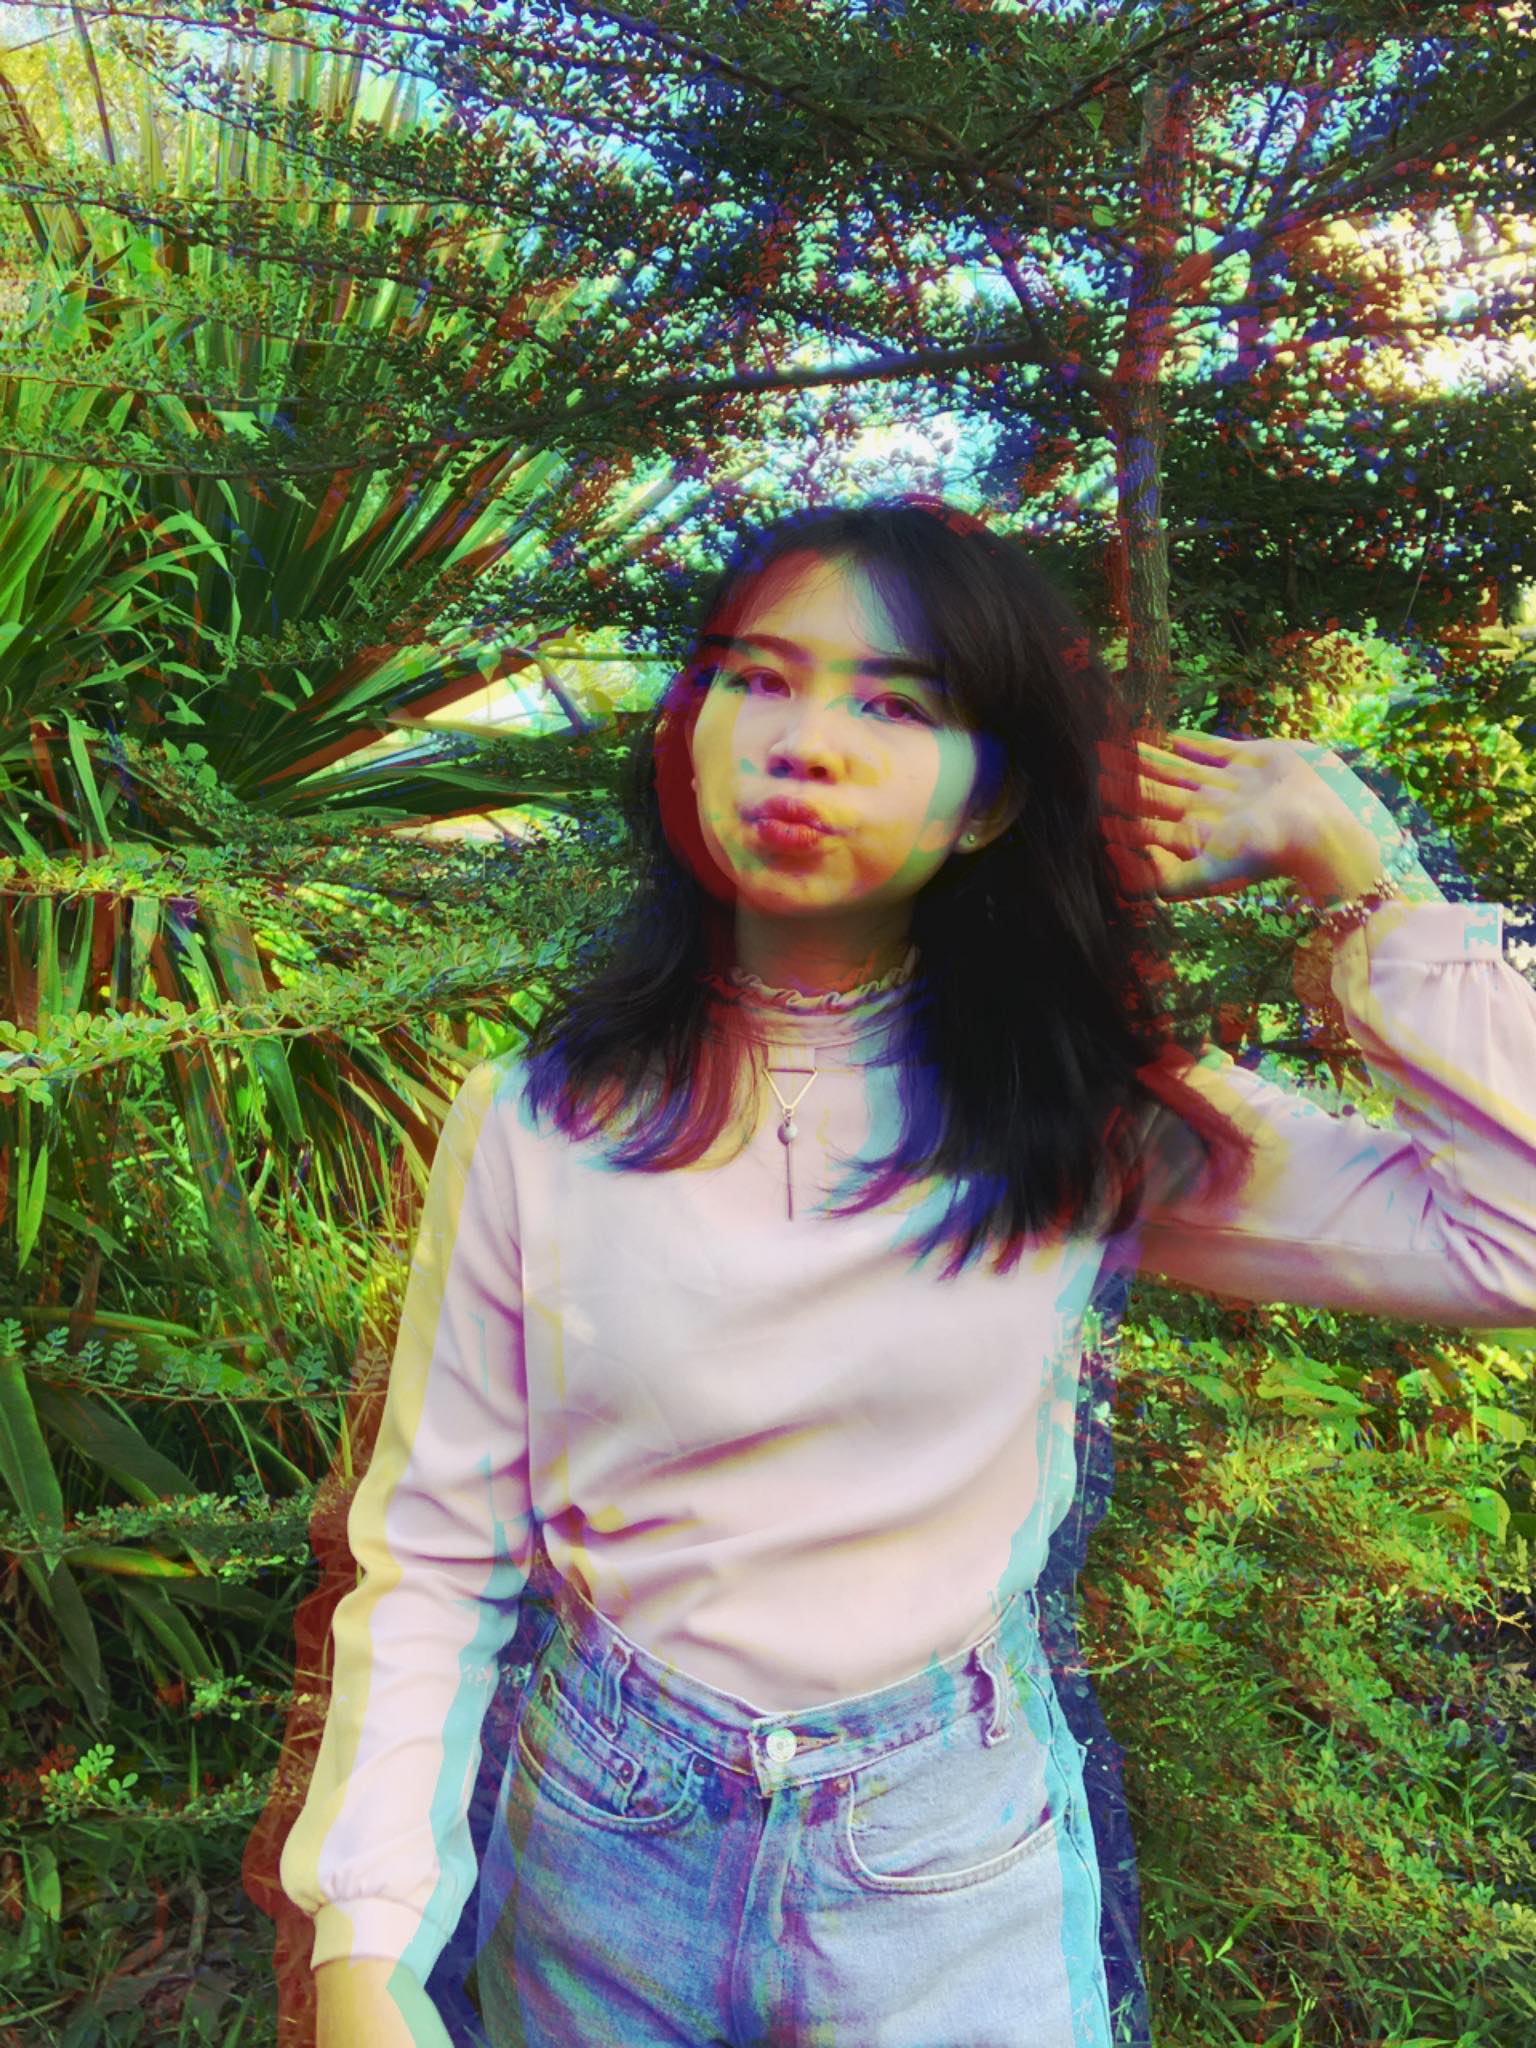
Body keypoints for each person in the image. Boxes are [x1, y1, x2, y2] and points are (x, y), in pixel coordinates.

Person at [279, 498, 1536, 2047]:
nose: (804, 744)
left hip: (941, 1866)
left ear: (992, 803)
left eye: (895, 705)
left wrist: (1365, 877)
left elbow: (1513, 1238)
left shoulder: (1074, 1115)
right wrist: (366, 1948)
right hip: (603, 1844)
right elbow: (436, 1555)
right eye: (757, 678)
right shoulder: (545, 1119)